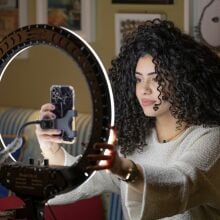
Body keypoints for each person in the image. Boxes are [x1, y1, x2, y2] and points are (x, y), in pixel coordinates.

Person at [35, 19, 220, 220]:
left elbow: (181, 184)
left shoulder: (211, 139)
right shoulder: (136, 139)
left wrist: (125, 169)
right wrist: (51, 149)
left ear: (184, 80)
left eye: (156, 78)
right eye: (138, 79)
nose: (144, 89)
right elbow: (84, 181)